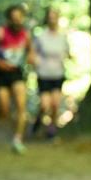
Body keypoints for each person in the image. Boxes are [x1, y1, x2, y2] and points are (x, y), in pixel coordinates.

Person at [0, 4, 35, 154]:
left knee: (22, 106)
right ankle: (4, 118)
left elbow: (30, 50)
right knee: (5, 107)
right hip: (1, 74)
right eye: (13, 18)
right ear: (9, 19)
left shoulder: (25, 34)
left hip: (17, 72)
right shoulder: (0, 33)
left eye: (19, 18)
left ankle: (17, 138)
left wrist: (30, 57)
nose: (16, 21)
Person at [31, 7, 70, 140]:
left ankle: (51, 130)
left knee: (55, 104)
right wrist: (35, 62)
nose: (52, 20)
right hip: (44, 75)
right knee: (44, 105)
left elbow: (67, 52)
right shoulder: (41, 37)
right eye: (50, 17)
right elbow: (33, 53)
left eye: (55, 17)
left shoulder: (63, 37)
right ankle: (38, 121)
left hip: (58, 74)